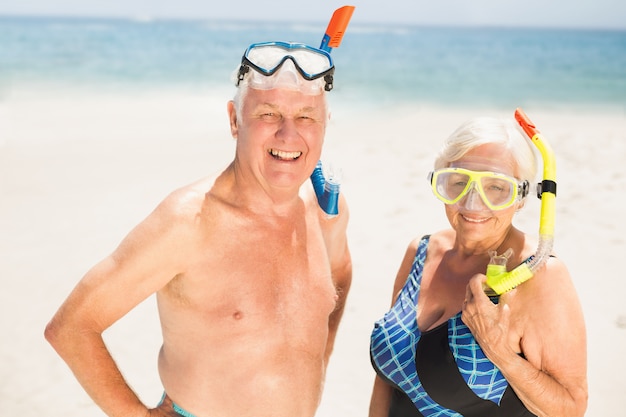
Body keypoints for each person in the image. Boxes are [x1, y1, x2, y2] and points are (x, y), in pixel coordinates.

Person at [45, 40, 352, 417]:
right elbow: (72, 327)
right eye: (269, 114)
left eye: (306, 116)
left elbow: (338, 276)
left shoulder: (325, 210)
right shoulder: (189, 222)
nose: (289, 136)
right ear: (234, 119)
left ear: (325, 124)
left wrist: (319, 361)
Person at [369, 117, 587, 417]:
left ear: (521, 197)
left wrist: (496, 348)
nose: (472, 203)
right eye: (458, 182)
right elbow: (386, 382)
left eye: (496, 187)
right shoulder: (420, 251)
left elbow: (570, 409)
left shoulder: (540, 274)